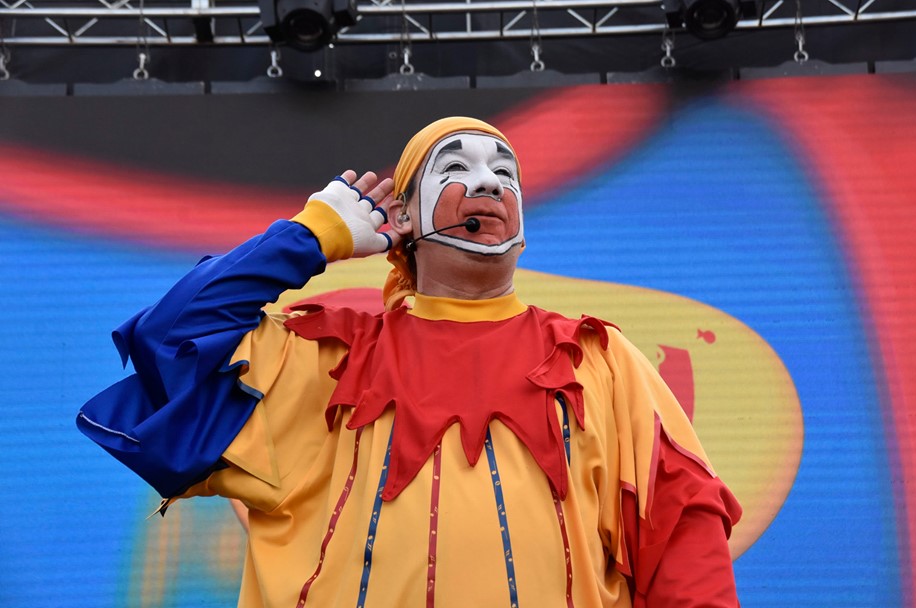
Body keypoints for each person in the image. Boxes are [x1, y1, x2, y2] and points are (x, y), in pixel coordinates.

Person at [78, 116, 742, 607]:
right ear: (406, 225)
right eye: (456, 168)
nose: (487, 181)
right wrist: (311, 237)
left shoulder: (603, 360)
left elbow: (685, 533)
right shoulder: (325, 360)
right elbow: (172, 337)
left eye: (504, 172)